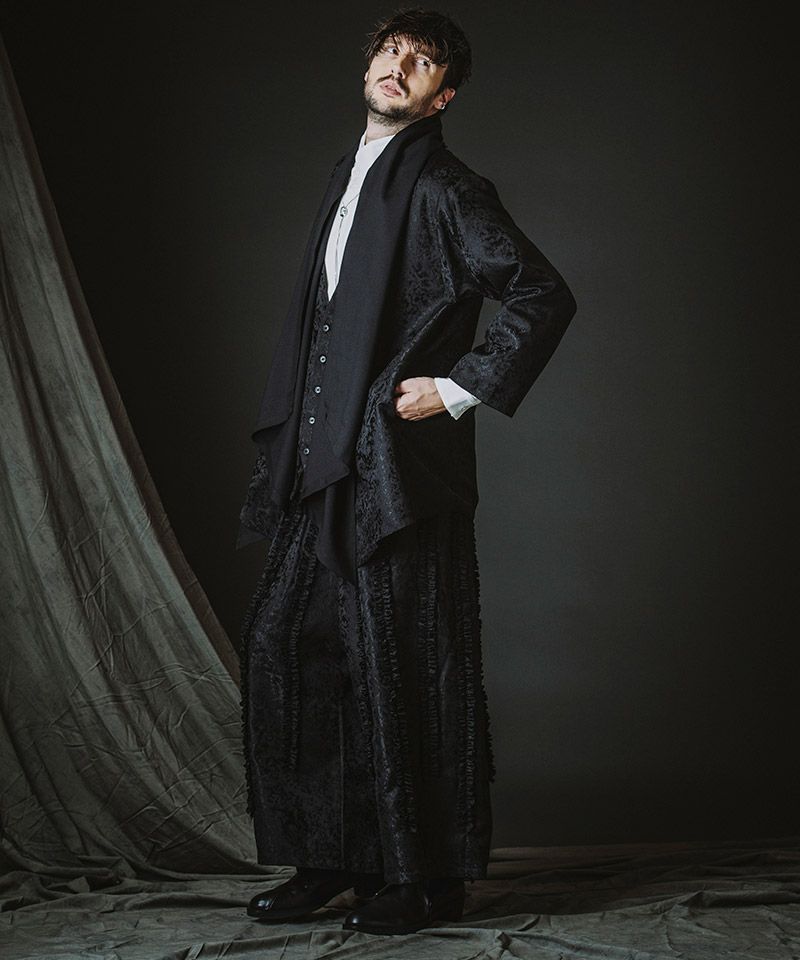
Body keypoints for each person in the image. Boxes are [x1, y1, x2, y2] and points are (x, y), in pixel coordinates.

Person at [235, 7, 577, 936]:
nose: (400, 65)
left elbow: (541, 293)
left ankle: (427, 880)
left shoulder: (448, 188)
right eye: (391, 50)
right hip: (318, 462)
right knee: (295, 654)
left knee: (404, 663)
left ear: (443, 95)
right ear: (370, 69)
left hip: (395, 468)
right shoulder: (348, 176)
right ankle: (330, 859)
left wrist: (458, 387)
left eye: (423, 62)